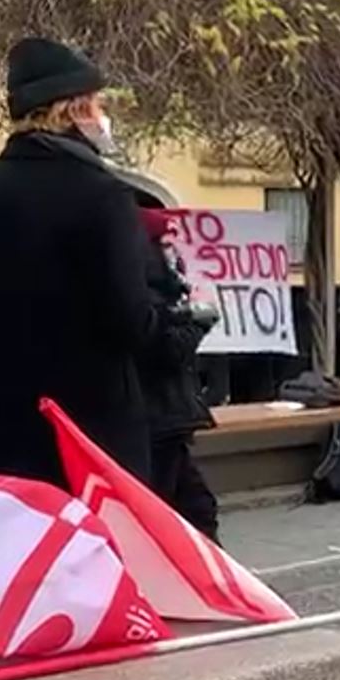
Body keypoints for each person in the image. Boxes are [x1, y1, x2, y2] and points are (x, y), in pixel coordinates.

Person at [0, 38, 159, 488]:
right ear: (71, 111)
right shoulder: (103, 197)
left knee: (18, 553)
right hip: (90, 435)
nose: (102, 117)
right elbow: (130, 320)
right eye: (96, 105)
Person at [135, 207, 222, 543]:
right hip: (157, 420)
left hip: (167, 420)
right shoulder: (148, 296)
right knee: (183, 510)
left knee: (196, 508)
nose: (175, 252)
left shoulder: (167, 291)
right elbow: (168, 351)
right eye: (167, 244)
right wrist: (196, 324)